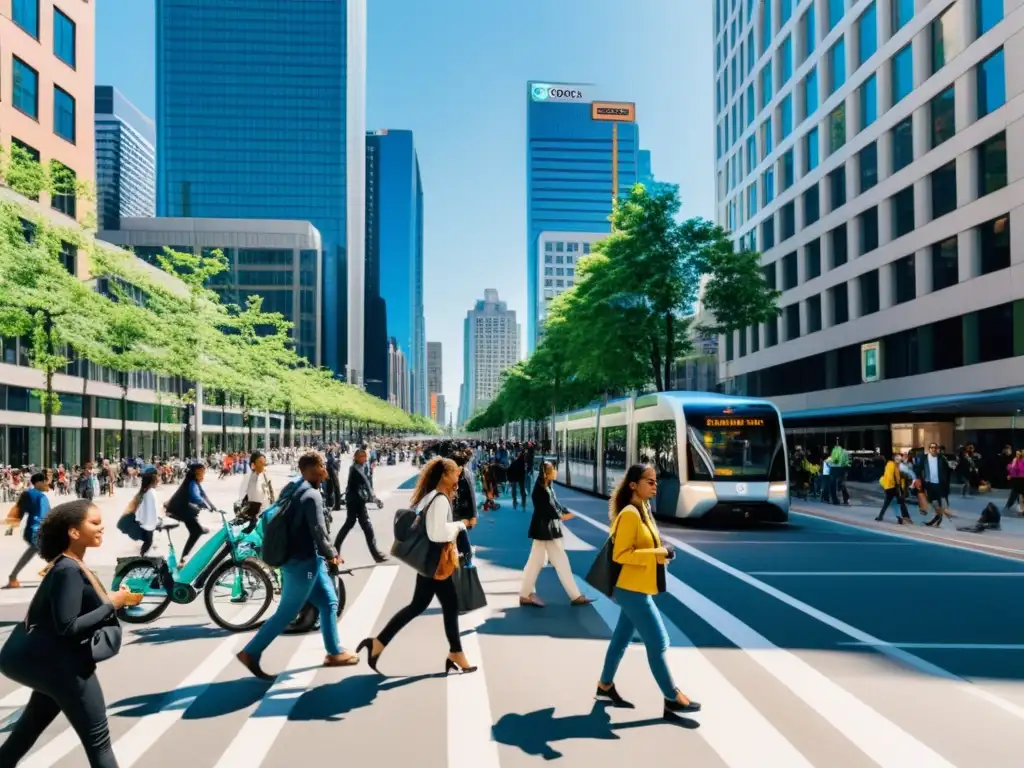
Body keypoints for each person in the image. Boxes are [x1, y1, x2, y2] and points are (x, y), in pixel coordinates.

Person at [0, 500, 143, 767]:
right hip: (64, 668)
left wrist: (117, 599)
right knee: (99, 743)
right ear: (73, 532)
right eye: (94, 522)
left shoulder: (72, 564)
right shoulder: (68, 570)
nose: (102, 528)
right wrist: (113, 604)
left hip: (50, 664)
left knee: (25, 733)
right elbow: (68, 627)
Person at [236, 452, 358, 679]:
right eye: (322, 465)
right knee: (287, 612)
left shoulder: (294, 487)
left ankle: (334, 652)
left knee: (329, 601)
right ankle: (251, 652)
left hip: (307, 561)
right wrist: (332, 555)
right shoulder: (312, 496)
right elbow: (319, 532)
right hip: (304, 564)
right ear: (314, 469)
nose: (326, 468)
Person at [595, 463, 700, 719]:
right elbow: (621, 554)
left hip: (638, 585)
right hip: (631, 589)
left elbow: (648, 543)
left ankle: (604, 685)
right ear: (634, 485)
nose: (656, 485)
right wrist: (659, 553)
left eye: (655, 481)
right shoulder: (631, 513)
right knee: (659, 641)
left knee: (621, 639)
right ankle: (671, 697)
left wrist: (662, 552)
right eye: (650, 481)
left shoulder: (644, 509)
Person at [356, 457, 478, 674]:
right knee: (447, 605)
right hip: (436, 563)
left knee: (423, 605)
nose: (458, 475)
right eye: (454, 473)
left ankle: (379, 643)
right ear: (444, 475)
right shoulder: (439, 499)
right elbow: (437, 533)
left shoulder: (431, 496)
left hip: (429, 562)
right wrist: (461, 524)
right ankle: (455, 653)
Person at [519, 462, 593, 607]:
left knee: (536, 563)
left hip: (546, 531)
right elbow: (551, 511)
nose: (556, 471)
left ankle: (525, 594)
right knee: (560, 563)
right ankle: (575, 596)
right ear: (546, 473)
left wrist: (566, 511)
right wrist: (566, 515)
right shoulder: (540, 491)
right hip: (546, 531)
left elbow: (556, 505)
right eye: (553, 469)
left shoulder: (547, 487)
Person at [334, 448, 387, 563]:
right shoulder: (355, 468)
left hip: (356, 501)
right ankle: (335, 551)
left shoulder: (358, 467)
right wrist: (374, 497)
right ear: (357, 457)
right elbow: (366, 483)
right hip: (355, 502)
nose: (365, 458)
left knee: (362, 527)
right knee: (360, 526)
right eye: (363, 456)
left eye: (365, 456)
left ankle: (376, 554)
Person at [6, 472, 51, 588]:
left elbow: (19, 512)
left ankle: (13, 576)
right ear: (38, 482)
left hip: (38, 529)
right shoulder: (34, 495)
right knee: (57, 551)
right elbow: (20, 511)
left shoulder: (37, 496)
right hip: (36, 529)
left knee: (35, 552)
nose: (47, 484)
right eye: (45, 481)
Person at [163, 463, 214, 565]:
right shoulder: (192, 483)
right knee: (196, 531)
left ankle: (185, 557)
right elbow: (196, 497)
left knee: (196, 528)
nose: (203, 475)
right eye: (202, 472)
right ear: (196, 472)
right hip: (179, 509)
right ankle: (183, 559)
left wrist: (212, 506)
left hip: (181, 507)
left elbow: (203, 495)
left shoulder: (193, 482)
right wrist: (205, 505)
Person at [118, 469, 160, 555]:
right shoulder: (151, 492)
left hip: (144, 523)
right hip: (149, 524)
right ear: (153, 480)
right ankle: (142, 559)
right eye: (157, 478)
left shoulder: (144, 492)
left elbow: (143, 510)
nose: (159, 480)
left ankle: (142, 557)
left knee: (148, 542)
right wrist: (156, 522)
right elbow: (153, 511)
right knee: (148, 543)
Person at [239, 450, 275, 518]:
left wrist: (273, 504)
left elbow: (271, 491)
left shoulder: (266, 475)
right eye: (260, 463)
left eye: (264, 463)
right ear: (253, 465)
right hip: (253, 511)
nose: (263, 465)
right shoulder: (248, 477)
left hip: (266, 509)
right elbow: (242, 494)